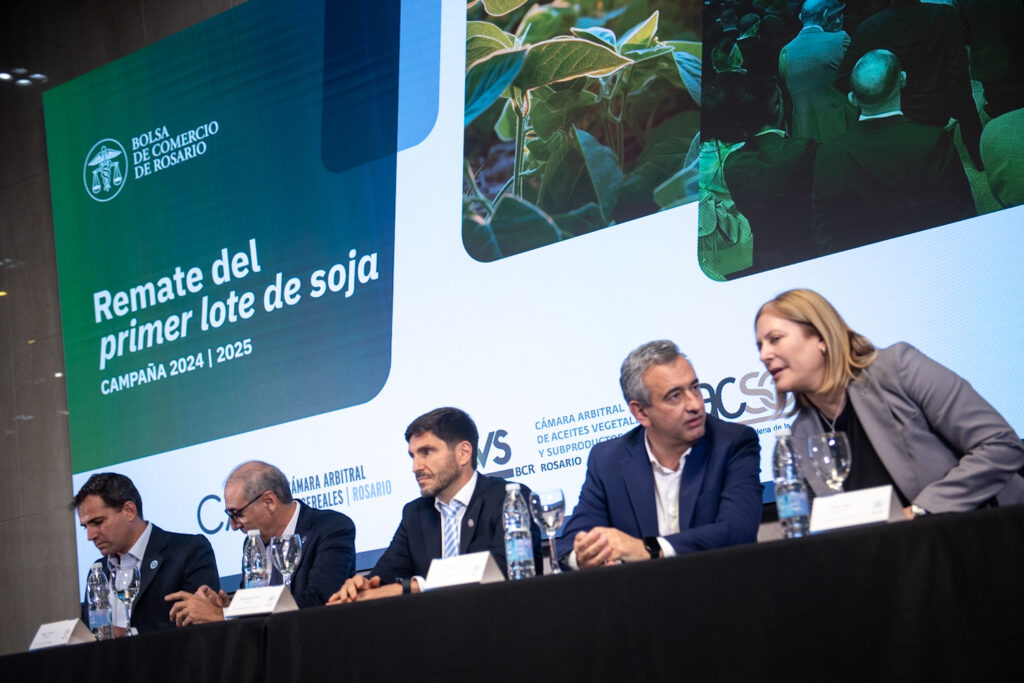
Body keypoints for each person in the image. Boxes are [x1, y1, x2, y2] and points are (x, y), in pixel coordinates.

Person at [754, 289, 1024, 515]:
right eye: (760, 346)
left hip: (989, 533)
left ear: (821, 338)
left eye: (775, 339)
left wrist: (921, 511)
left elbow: (1002, 445)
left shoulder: (898, 368)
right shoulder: (800, 436)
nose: (764, 355)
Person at [555, 341, 762, 569]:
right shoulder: (608, 460)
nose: (694, 404)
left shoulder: (733, 443)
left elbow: (737, 531)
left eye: (694, 388)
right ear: (641, 412)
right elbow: (569, 545)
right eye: (675, 396)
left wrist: (648, 549)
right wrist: (584, 556)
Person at [328, 407, 542, 603]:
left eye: (427, 452)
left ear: (463, 453)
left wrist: (415, 586)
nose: (416, 467)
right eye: (412, 456)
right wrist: (362, 586)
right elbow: (384, 579)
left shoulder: (509, 498)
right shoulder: (415, 514)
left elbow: (507, 567)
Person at [811, 49, 975, 254]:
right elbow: (962, 215)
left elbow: (825, 230)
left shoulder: (828, 154)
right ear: (903, 80)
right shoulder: (933, 142)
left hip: (864, 265)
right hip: (930, 257)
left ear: (852, 98)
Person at [166, 461, 355, 624]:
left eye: (237, 514)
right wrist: (230, 608)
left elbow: (321, 600)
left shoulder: (331, 528)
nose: (233, 526)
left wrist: (223, 616)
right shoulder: (253, 544)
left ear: (269, 502)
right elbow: (257, 610)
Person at [835, 0, 983, 169]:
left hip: (894, 113)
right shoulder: (945, 15)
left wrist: (878, 102)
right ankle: (979, 159)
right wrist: (956, 108)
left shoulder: (869, 27)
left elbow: (843, 79)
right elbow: (958, 70)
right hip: (938, 107)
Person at [73, 473, 219, 634]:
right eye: (85, 527)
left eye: (97, 522)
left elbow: (200, 625)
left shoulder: (189, 551)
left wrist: (129, 635)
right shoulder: (98, 572)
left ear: (129, 511)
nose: (90, 536)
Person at [778, 0, 856, 143]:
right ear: (826, 14)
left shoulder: (785, 51)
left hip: (803, 135)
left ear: (801, 17)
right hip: (842, 129)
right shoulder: (840, 40)